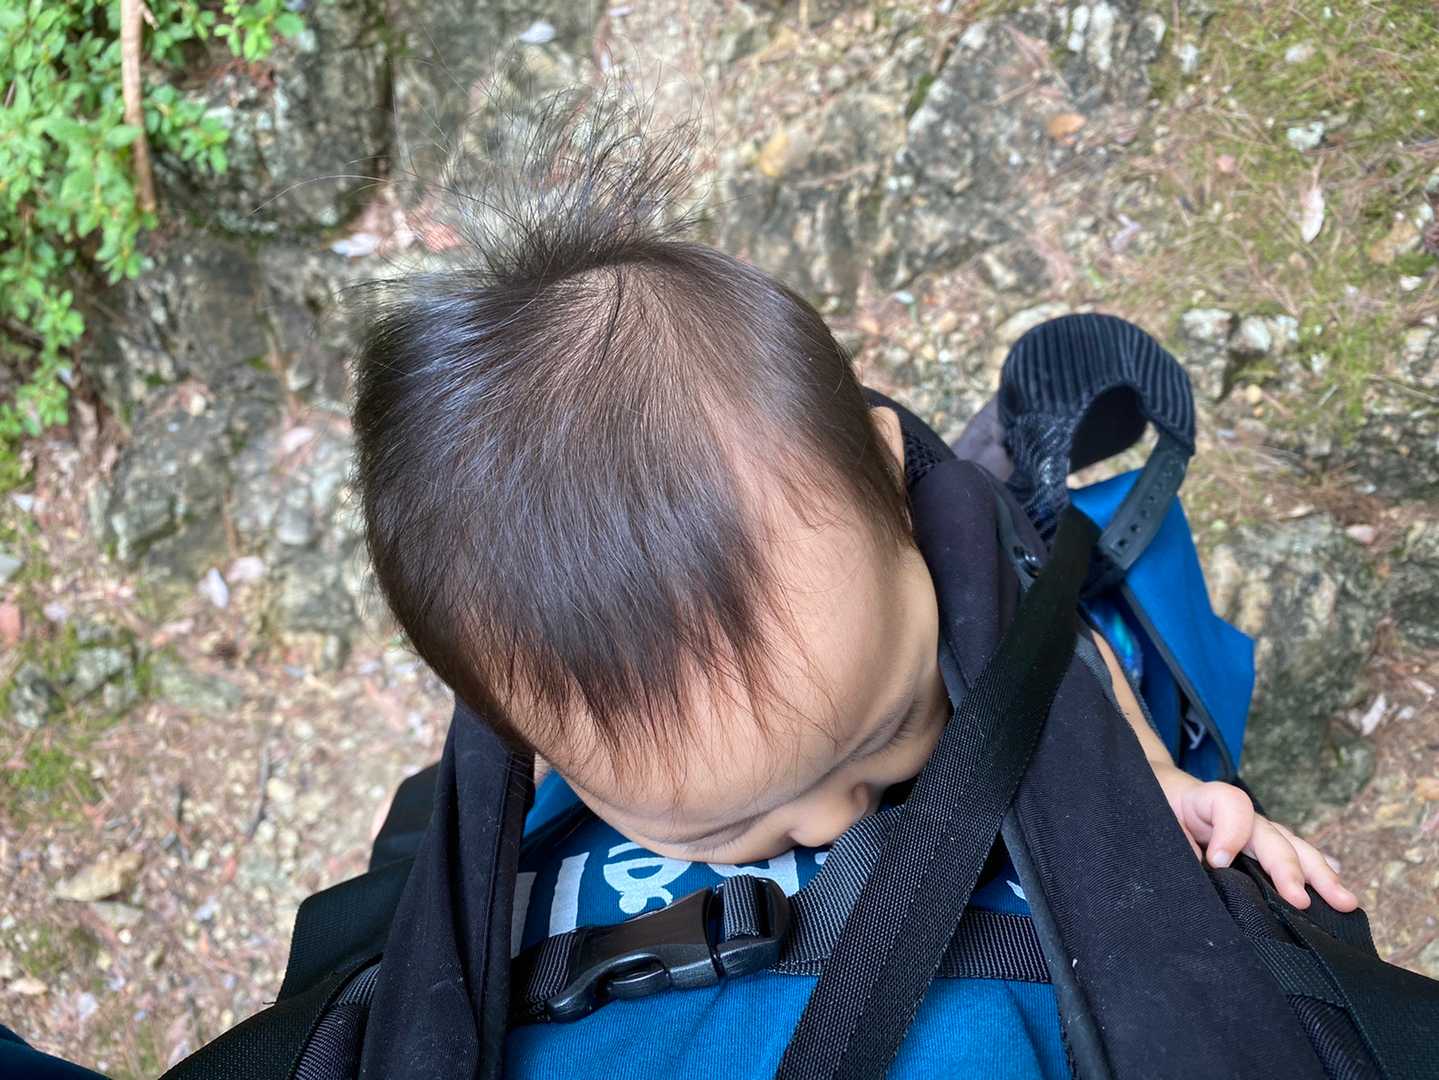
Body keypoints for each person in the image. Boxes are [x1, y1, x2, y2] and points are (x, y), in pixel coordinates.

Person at [343, 89, 1357, 1076]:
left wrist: (1154, 781)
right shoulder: (554, 723)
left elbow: (1054, 646)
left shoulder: (928, 559)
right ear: (519, 739)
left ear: (889, 472)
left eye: (884, 729)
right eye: (723, 825)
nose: (834, 821)